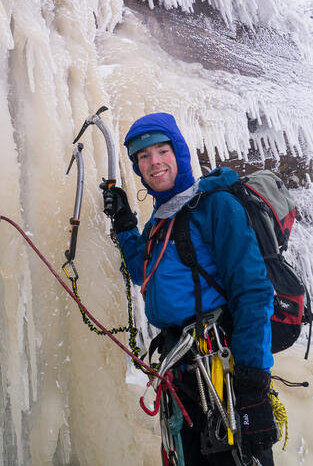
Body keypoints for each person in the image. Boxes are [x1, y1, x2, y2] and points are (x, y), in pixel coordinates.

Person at [104, 112, 278, 466]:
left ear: (179, 153)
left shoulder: (216, 207)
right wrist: (125, 223)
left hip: (220, 366)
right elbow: (143, 273)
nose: (154, 163)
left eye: (162, 151)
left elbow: (253, 292)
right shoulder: (160, 219)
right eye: (143, 156)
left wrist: (253, 384)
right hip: (181, 368)